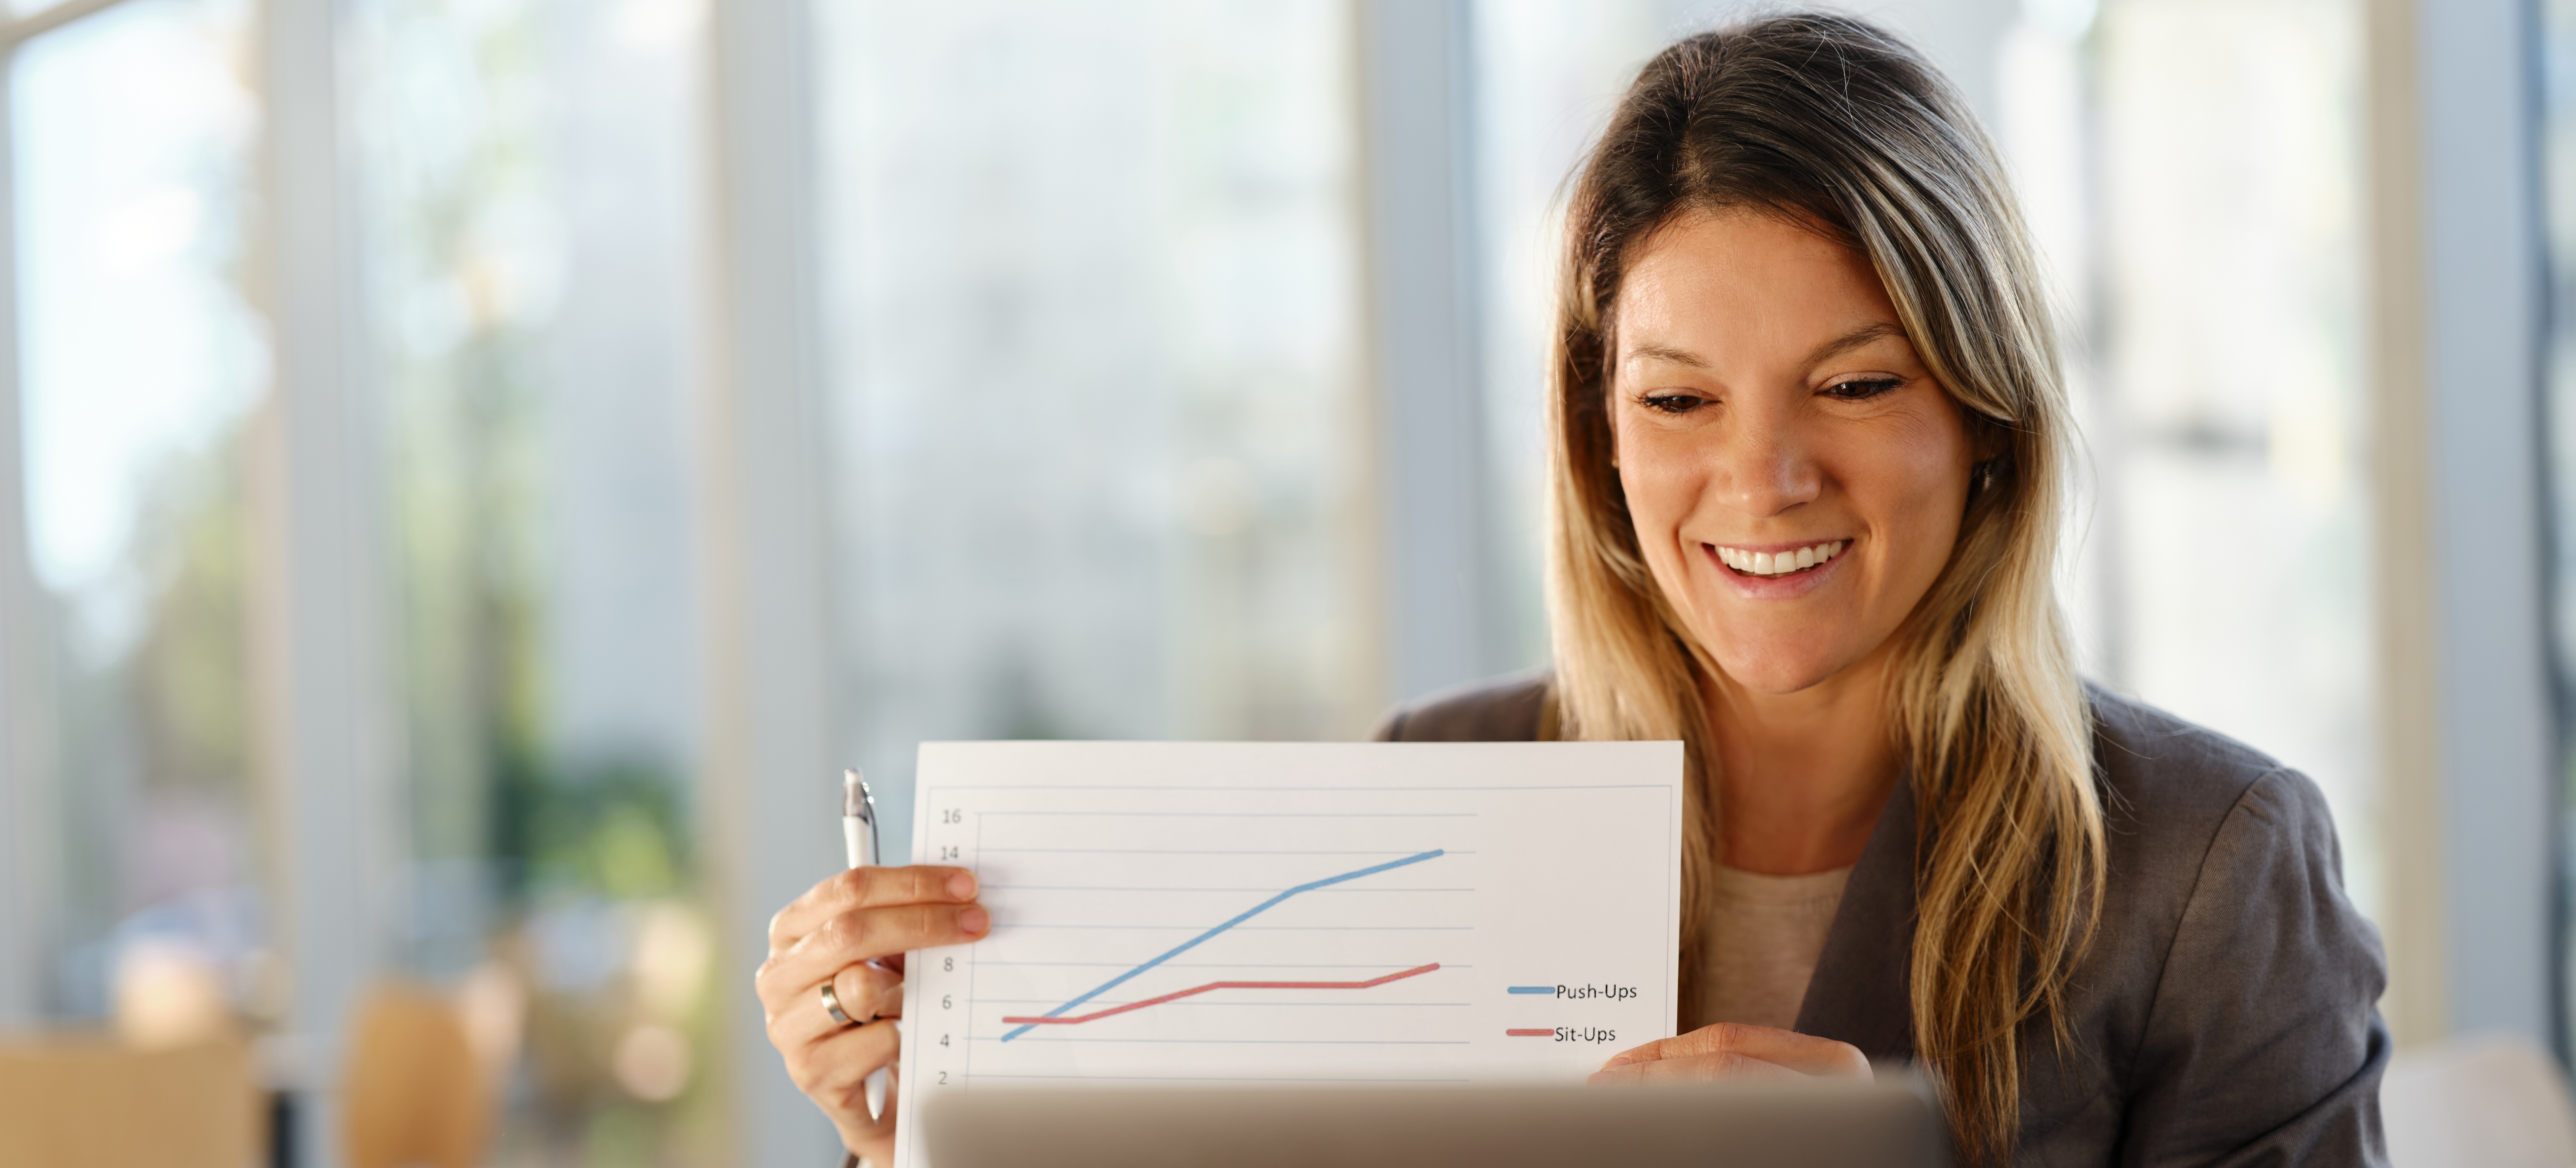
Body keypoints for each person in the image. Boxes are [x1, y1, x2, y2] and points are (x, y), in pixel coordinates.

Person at [755, 12, 2389, 1166]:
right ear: (1597, 439)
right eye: (1679, 401)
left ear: (1983, 413)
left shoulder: (2202, 870)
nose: (1763, 481)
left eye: (1854, 383)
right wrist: (917, 1138)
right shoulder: (1433, 784)